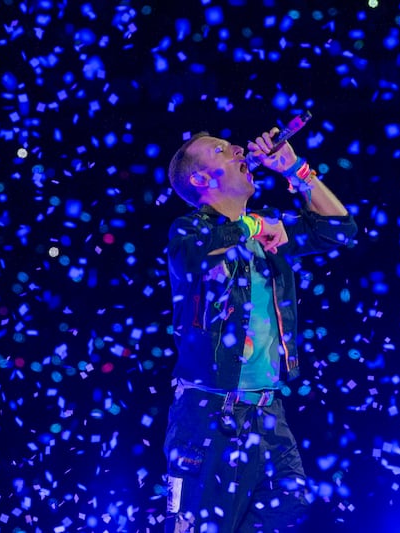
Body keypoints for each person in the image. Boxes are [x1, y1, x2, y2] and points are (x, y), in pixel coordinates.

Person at [163, 122, 357, 532]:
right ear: (200, 179)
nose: (236, 148)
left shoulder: (268, 232)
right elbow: (192, 258)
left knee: (289, 500)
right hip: (210, 412)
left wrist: (295, 170)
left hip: (267, 411)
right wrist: (252, 227)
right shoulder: (191, 230)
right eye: (220, 150)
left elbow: (340, 229)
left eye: (231, 145)